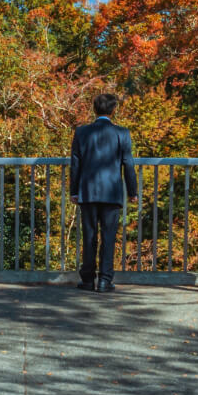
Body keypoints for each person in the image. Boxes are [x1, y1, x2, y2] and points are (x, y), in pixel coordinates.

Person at [69, 92, 139, 292]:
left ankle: (88, 279)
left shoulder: (81, 132)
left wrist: (74, 191)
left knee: (89, 236)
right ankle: (104, 280)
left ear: (94, 109)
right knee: (108, 237)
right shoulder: (122, 133)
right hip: (112, 192)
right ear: (113, 110)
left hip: (88, 191)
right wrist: (132, 191)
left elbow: (75, 165)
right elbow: (128, 164)